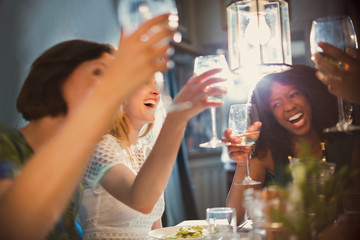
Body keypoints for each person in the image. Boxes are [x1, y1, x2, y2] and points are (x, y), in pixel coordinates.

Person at [0, 14, 175, 240]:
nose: (115, 88)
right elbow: (15, 227)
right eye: (100, 72)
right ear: (56, 78)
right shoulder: (6, 142)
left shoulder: (68, 158)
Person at [77, 65, 227, 238]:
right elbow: (141, 201)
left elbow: (155, 230)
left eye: (156, 84)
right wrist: (177, 116)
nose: (156, 92)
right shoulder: (97, 147)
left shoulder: (145, 151)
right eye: (144, 83)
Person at [224, 64, 360, 223]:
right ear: (270, 116)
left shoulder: (350, 145)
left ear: (310, 96)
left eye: (294, 94)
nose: (288, 106)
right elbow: (233, 220)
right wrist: (242, 165)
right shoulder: (265, 153)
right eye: (276, 104)